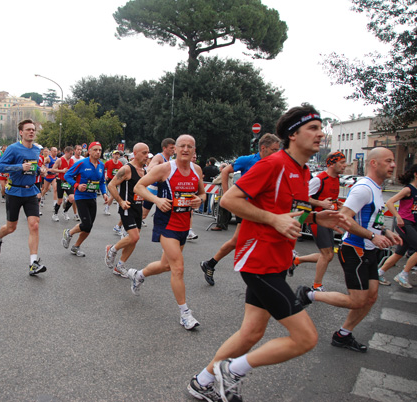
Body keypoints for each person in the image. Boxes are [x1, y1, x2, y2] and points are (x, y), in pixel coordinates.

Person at [187, 105, 351, 402]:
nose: (320, 133)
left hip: (277, 260)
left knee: (250, 333)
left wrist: (316, 219)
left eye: (321, 127)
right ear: (293, 134)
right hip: (258, 259)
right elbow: (229, 199)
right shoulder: (273, 164)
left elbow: (292, 214)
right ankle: (233, 371)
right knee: (306, 338)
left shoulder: (301, 171)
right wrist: (273, 220)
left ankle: (202, 381)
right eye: (313, 128)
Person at [296, 147, 401, 355]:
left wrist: (386, 232)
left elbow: (372, 218)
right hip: (355, 248)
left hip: (368, 249)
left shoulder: (376, 188)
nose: (393, 165)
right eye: (388, 161)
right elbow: (344, 216)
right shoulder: (363, 188)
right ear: (374, 163)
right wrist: (372, 236)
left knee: (370, 297)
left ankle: (343, 334)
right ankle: (309, 293)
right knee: (356, 299)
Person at [127, 134, 206, 330]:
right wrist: (157, 200)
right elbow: (139, 187)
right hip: (166, 224)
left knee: (166, 266)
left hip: (183, 225)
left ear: (194, 150)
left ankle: (139, 275)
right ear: (175, 149)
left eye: (190, 146)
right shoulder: (165, 169)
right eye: (182, 146)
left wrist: (201, 199)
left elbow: (203, 193)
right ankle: (185, 314)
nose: (186, 149)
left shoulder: (197, 170)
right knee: (178, 268)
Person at [199, 133, 281, 286]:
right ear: (263, 148)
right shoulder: (248, 160)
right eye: (274, 149)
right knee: (246, 241)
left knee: (238, 241)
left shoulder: (275, 164)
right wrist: (226, 194)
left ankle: (210, 264)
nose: (277, 153)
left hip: (265, 209)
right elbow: (225, 171)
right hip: (248, 209)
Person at [0, 119, 48, 275]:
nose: (31, 132)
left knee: (34, 225)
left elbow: (34, 169)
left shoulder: (36, 150)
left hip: (31, 191)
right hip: (14, 192)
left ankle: (33, 263)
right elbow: (0, 167)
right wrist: (19, 167)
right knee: (11, 227)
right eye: (28, 129)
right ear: (21, 133)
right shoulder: (13, 149)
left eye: (33, 129)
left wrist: (40, 171)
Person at [291, 151, 347, 290]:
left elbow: (327, 197)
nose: (345, 165)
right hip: (317, 220)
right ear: (332, 164)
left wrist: (335, 204)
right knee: (327, 255)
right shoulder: (319, 179)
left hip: (328, 220)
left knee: (327, 256)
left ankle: (296, 260)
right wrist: (321, 204)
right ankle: (316, 286)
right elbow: (303, 197)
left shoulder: (336, 179)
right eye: (342, 162)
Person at [105, 142, 149, 277]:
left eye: (148, 153)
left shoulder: (145, 171)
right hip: (127, 208)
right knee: (134, 236)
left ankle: (120, 266)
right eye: (144, 153)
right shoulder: (127, 169)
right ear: (135, 154)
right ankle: (112, 249)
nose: (147, 156)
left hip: (138, 209)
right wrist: (121, 201)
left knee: (134, 239)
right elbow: (111, 185)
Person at [61, 141, 108, 257]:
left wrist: (104, 193)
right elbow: (67, 175)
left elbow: (101, 182)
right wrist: (77, 186)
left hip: (92, 198)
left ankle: (76, 247)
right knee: (86, 224)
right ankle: (69, 232)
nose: (98, 152)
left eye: (100, 150)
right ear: (89, 152)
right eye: (95, 150)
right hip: (81, 197)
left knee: (89, 226)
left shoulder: (101, 165)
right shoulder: (82, 163)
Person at [377, 164, 417, 289]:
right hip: (404, 222)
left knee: (399, 252)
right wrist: (398, 216)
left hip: (412, 223)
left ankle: (379, 273)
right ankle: (403, 274)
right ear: (416, 174)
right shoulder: (408, 189)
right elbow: (389, 202)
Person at [51, 146, 75, 221]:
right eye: (70, 154)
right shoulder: (59, 160)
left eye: (72, 154)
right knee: (60, 200)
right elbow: (53, 170)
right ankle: (55, 214)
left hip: (68, 182)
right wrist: (62, 171)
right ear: (66, 152)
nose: (71, 155)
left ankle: (65, 212)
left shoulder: (72, 161)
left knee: (72, 198)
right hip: (60, 181)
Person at [103, 150, 123, 215]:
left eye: (118, 154)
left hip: (116, 181)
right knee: (113, 195)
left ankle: (107, 207)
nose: (117, 156)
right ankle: (107, 208)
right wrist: (105, 175)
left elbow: (121, 173)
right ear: (113, 155)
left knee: (113, 196)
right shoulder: (108, 162)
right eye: (115, 154)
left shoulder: (120, 164)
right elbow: (103, 169)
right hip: (109, 180)